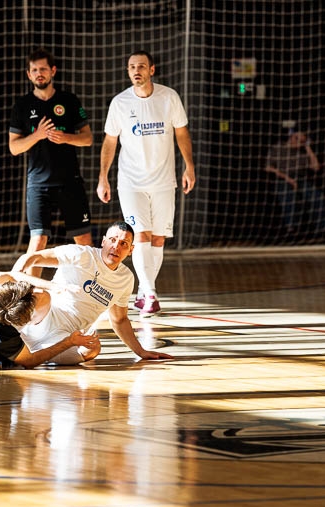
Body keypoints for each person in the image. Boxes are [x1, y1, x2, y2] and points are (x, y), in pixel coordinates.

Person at [97, 50, 195, 317]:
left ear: (152, 69)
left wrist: (189, 166)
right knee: (140, 234)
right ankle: (150, 293)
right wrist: (103, 177)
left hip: (163, 180)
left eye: (141, 66)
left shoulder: (169, 97)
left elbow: (182, 133)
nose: (136, 71)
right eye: (131, 67)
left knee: (158, 238)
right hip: (131, 181)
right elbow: (110, 141)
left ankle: (144, 292)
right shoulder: (120, 102)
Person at [13, 221, 172, 364]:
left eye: (123, 243)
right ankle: (8, 334)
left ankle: (38, 354)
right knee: (42, 296)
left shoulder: (126, 278)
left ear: (131, 250)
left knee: (93, 349)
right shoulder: (81, 254)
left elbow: (119, 320)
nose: (116, 247)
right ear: (103, 241)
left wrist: (141, 352)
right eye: (112, 240)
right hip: (42, 317)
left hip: (68, 337)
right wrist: (16, 277)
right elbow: (32, 258)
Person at [8, 47, 93, 276]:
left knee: (84, 239)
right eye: (35, 70)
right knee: (38, 240)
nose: (39, 73)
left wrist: (66, 137)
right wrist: (37, 135)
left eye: (43, 69)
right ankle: (29, 293)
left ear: (53, 71)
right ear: (29, 75)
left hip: (69, 181)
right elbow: (14, 148)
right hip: (39, 183)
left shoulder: (68, 100)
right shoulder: (22, 106)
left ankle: (88, 288)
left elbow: (87, 139)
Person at [264, 129, 325, 237]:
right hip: (283, 178)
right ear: (292, 137)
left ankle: (324, 228)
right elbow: (268, 167)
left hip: (301, 179)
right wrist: (288, 178)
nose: (299, 143)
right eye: (298, 139)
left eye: (303, 141)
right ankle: (292, 228)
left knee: (317, 196)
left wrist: (308, 148)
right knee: (288, 196)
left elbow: (316, 167)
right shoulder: (278, 147)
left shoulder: (302, 153)